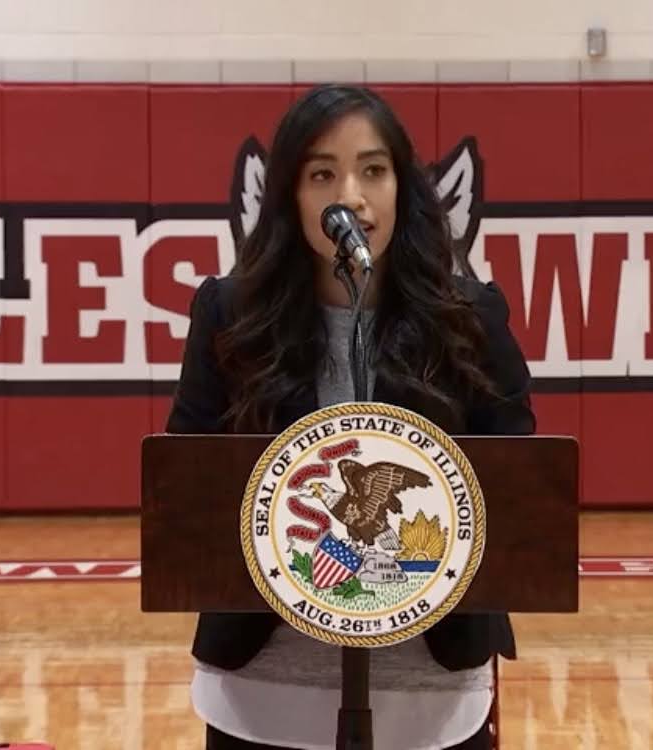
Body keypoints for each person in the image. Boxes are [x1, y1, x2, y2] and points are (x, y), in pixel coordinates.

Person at [164, 84, 533, 750]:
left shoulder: (469, 319)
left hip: (431, 694)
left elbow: (521, 488)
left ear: (403, 188)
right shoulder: (229, 316)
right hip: (263, 692)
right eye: (322, 174)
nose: (353, 197)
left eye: (373, 170)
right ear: (290, 195)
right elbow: (186, 488)